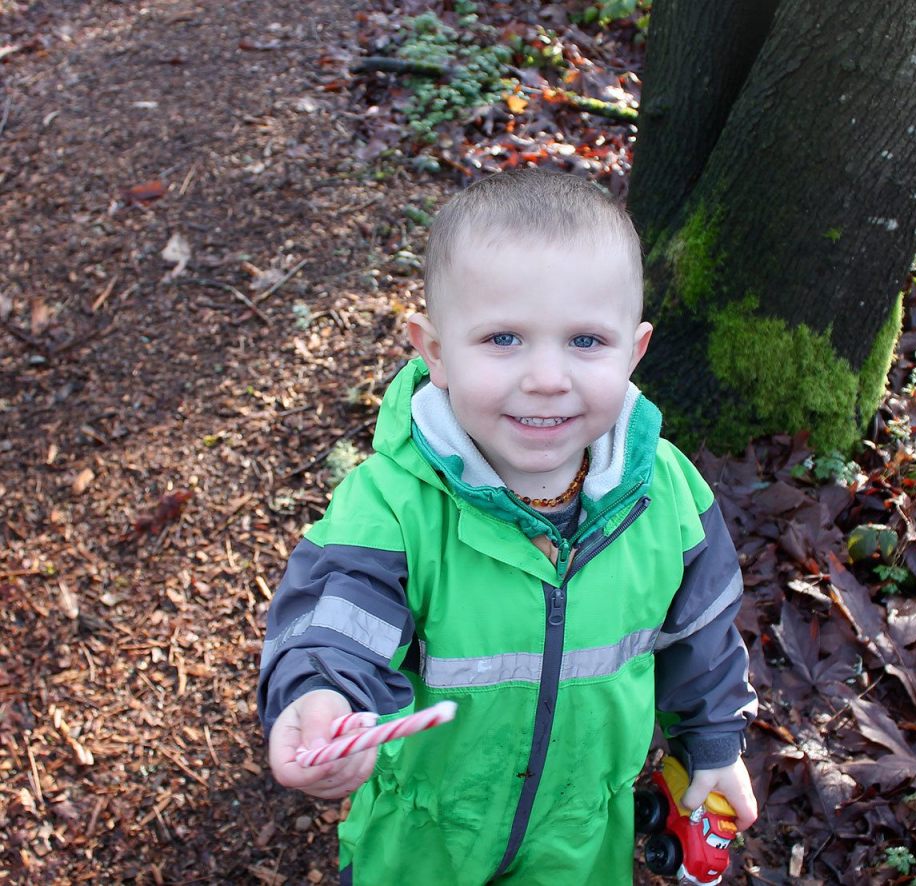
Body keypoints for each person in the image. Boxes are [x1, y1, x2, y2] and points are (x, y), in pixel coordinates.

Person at [258, 169, 758, 885]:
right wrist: (322, 697)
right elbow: (339, 613)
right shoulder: (396, 504)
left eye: (587, 341)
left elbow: (702, 634)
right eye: (503, 338)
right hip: (426, 837)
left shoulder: (667, 497)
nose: (548, 377)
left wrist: (713, 746)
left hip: (583, 833)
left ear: (636, 350)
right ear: (433, 351)